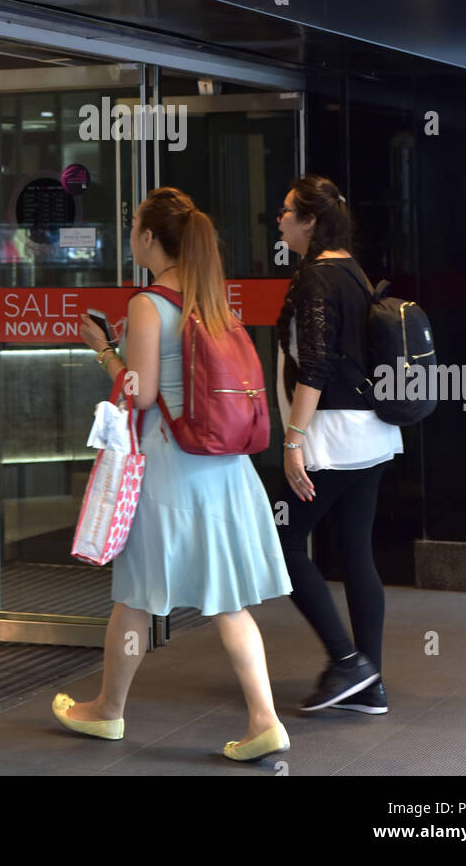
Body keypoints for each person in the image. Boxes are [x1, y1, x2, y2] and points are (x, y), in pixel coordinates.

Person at [52, 186, 293, 763]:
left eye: (136, 224)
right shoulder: (213, 299)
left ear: (151, 239)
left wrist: (102, 350)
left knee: (136, 593)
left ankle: (108, 710)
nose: (132, 233)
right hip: (225, 470)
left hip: (170, 468)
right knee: (228, 600)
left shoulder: (146, 304)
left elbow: (141, 393)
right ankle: (263, 718)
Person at [274, 173, 403, 715]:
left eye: (286, 211)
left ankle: (347, 662)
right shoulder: (351, 270)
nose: (278, 219)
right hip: (370, 432)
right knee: (354, 551)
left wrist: (293, 440)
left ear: (309, 221)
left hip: (331, 436)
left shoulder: (317, 279)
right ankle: (368, 686)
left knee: (283, 540)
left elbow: (318, 364)